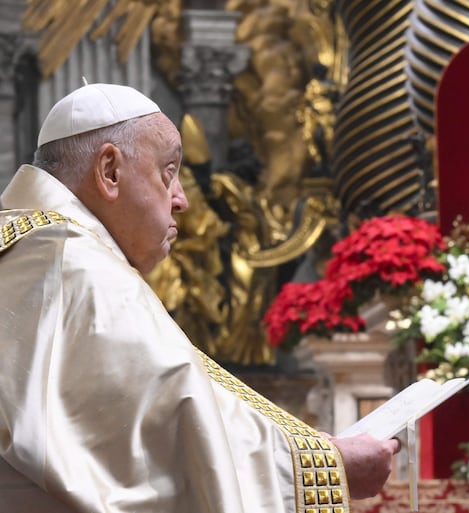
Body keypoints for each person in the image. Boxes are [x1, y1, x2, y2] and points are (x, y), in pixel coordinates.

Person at [0, 83, 399, 513]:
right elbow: (176, 429)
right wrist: (325, 467)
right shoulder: (70, 259)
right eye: (168, 172)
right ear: (110, 171)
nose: (182, 200)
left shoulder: (28, 244)